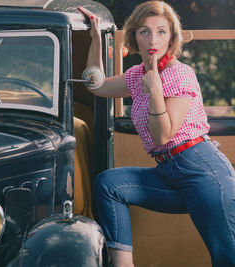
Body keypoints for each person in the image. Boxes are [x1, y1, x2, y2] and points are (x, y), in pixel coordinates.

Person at [78, 2, 235, 267]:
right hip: (168, 171)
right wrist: (95, 39)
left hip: (201, 169)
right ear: (134, 37)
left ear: (172, 38)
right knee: (109, 184)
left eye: (162, 31)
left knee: (226, 258)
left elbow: (162, 136)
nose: (153, 39)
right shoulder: (136, 74)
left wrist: (155, 90)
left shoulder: (181, 74)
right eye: (144, 31)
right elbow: (98, 85)